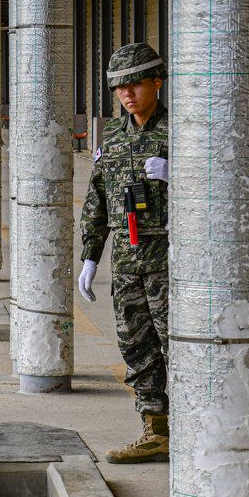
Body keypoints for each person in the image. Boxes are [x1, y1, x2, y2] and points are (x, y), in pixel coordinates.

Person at [78, 42, 170, 464]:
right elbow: (97, 198)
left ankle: (198, 426)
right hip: (128, 259)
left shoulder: (181, 131)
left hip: (171, 259)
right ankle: (156, 431)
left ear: (157, 81)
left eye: (135, 84)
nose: (127, 94)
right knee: (137, 346)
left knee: (180, 347)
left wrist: (181, 173)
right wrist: (91, 256)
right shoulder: (112, 136)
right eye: (119, 88)